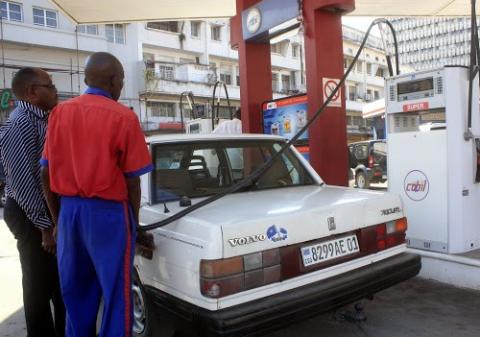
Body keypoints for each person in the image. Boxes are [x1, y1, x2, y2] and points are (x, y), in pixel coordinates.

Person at [40, 52, 153, 337]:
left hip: (69, 214)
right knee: (116, 293)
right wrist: (135, 224)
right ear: (114, 81)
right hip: (109, 215)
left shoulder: (59, 113)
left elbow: (45, 172)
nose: (122, 86)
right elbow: (133, 182)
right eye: (122, 80)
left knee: (75, 290)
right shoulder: (124, 117)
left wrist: (58, 222)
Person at [0, 67, 65, 337]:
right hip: (30, 215)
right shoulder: (20, 123)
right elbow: (24, 181)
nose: (55, 90)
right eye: (49, 85)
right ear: (32, 92)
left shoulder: (45, 119)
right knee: (38, 287)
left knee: (59, 283)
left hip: (45, 212)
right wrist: (45, 228)